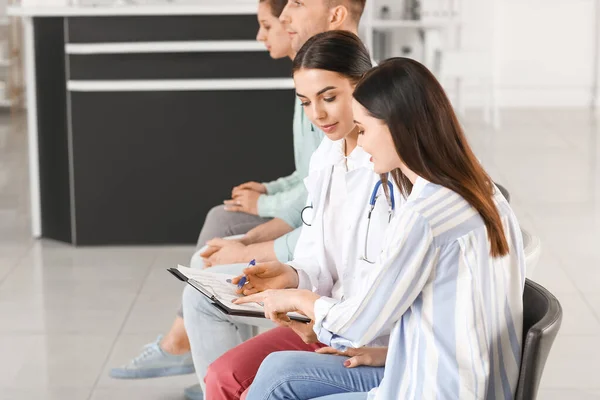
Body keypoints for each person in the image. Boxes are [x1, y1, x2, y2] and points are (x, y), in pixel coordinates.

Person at [239, 57, 527, 400]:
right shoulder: (483, 191)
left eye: (363, 130)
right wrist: (391, 352)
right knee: (276, 373)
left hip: (432, 390)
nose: (360, 144)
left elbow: (357, 324)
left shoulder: (424, 215)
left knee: (274, 386)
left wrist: (296, 298)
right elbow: (459, 317)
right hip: (465, 378)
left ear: (398, 127)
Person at [109, 0, 323, 386]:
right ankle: (210, 362)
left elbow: (317, 200)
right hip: (307, 230)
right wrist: (268, 194)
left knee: (213, 256)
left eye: (292, 10)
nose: (281, 23)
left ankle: (192, 350)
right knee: (219, 231)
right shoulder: (310, 81)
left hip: (311, 245)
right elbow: (311, 174)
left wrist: (256, 227)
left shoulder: (334, 86)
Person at [183, 30, 390, 400]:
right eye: (305, 103)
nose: (318, 115)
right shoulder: (327, 157)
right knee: (221, 377)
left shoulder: (388, 169)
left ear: (364, 86)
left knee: (261, 385)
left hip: (363, 336)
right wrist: (290, 274)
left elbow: (379, 287)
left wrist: (314, 308)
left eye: (329, 98)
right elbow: (315, 250)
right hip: (324, 319)